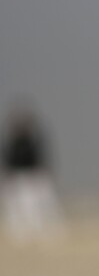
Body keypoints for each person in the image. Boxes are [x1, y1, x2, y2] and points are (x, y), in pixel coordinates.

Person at [1, 103, 64, 242]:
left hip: (33, 177)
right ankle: (21, 235)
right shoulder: (12, 142)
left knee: (38, 207)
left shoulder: (33, 140)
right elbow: (8, 160)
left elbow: (40, 158)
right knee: (18, 208)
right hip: (17, 178)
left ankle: (45, 233)